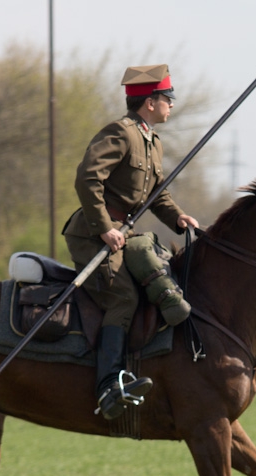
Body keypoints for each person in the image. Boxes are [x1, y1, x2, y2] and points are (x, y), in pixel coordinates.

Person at [63, 64, 199, 420]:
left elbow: (156, 193)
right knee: (123, 295)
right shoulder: (121, 133)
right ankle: (109, 386)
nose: (171, 104)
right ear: (151, 101)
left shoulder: (152, 141)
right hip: (93, 235)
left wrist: (178, 217)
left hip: (124, 234)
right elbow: (87, 178)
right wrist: (104, 226)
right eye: (168, 98)